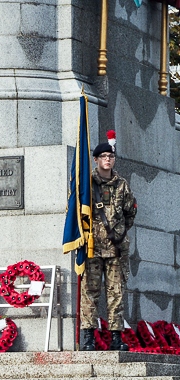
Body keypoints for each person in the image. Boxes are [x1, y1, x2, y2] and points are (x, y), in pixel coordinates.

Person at [80, 137, 137, 351]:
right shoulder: (87, 185)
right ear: (95, 160)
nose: (108, 160)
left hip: (116, 249)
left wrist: (118, 233)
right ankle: (88, 339)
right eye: (104, 156)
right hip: (93, 248)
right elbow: (77, 213)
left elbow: (130, 213)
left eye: (111, 156)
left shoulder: (122, 184)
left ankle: (116, 338)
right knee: (90, 293)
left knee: (116, 294)